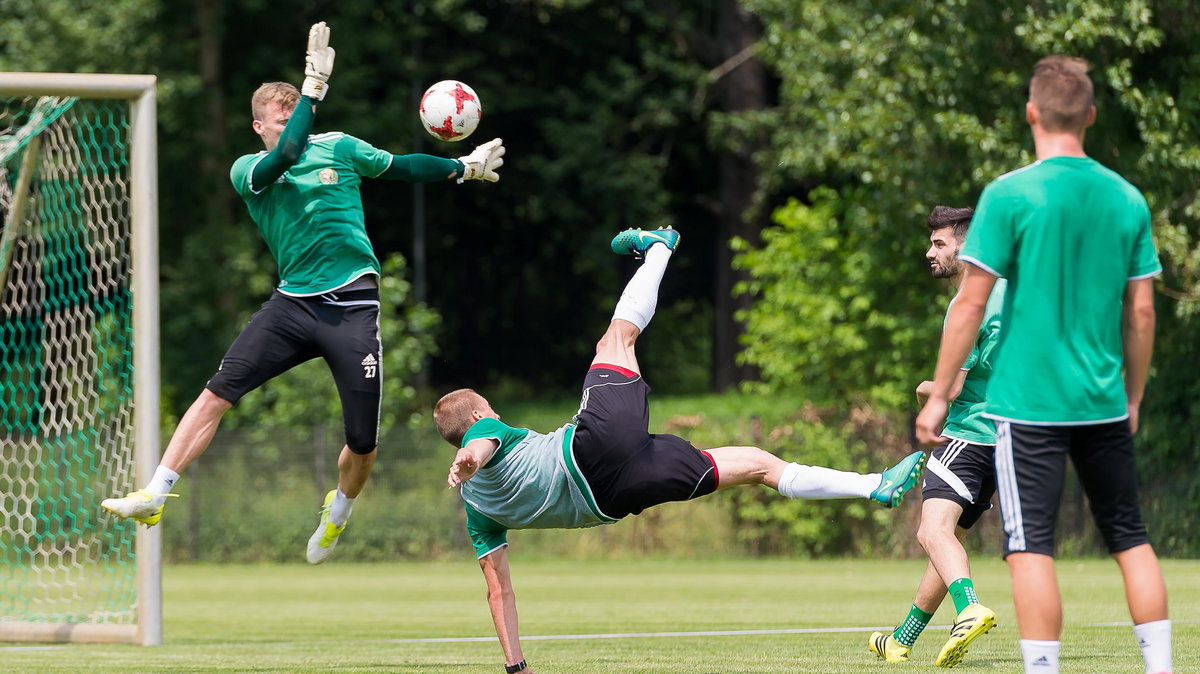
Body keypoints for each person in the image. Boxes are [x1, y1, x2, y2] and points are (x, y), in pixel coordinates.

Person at [435, 227, 928, 674]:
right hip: (593, 450)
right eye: (488, 411)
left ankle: (874, 486)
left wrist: (515, 667)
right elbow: (485, 441)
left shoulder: (476, 511)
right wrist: (472, 457)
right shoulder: (487, 434)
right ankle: (658, 249)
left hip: (615, 500)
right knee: (616, 339)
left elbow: (497, 590)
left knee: (757, 466)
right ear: (479, 415)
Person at [101, 22, 506, 565]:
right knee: (215, 394)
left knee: (363, 444)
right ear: (257, 126)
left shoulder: (338, 147)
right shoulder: (250, 169)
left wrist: (462, 167)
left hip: (353, 309)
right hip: (292, 306)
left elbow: (401, 166)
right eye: (279, 118)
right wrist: (313, 87)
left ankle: (338, 512)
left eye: (295, 113)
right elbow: (287, 155)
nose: (290, 124)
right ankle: (154, 494)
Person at [914, 56, 1171, 674]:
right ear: (1090, 115)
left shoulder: (1005, 194)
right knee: (1131, 542)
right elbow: (1141, 313)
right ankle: (1162, 667)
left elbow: (971, 302)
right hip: (1103, 400)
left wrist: (939, 398)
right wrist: (1132, 396)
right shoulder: (1127, 197)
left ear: (1031, 113)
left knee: (1030, 550)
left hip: (1026, 405)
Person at [869, 206, 1004, 667]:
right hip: (1009, 438)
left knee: (931, 531)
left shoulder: (967, 301)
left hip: (967, 434)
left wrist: (928, 387)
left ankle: (969, 610)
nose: (930, 252)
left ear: (968, 246)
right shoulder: (1010, 292)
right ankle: (902, 638)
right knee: (948, 542)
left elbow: (954, 387)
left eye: (939, 243)